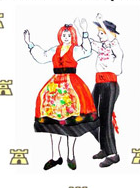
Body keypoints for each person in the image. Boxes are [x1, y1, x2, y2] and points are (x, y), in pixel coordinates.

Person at [24, 23, 98, 171]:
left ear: (73, 37)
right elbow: (42, 56)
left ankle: (71, 155)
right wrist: (29, 44)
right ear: (60, 36)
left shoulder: (76, 49)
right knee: (53, 122)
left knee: (71, 123)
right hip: (55, 87)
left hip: (72, 86)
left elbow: (87, 51)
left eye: (69, 35)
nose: (66, 38)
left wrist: (84, 33)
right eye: (64, 35)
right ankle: (55, 156)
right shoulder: (55, 50)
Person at [79, 16, 123, 167]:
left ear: (110, 33)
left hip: (110, 84)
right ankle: (105, 147)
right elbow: (88, 45)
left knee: (105, 119)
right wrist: (84, 31)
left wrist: (103, 22)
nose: (99, 35)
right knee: (89, 116)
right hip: (99, 83)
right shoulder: (102, 46)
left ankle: (113, 154)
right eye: (99, 32)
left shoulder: (115, 46)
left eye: (102, 32)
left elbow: (111, 38)